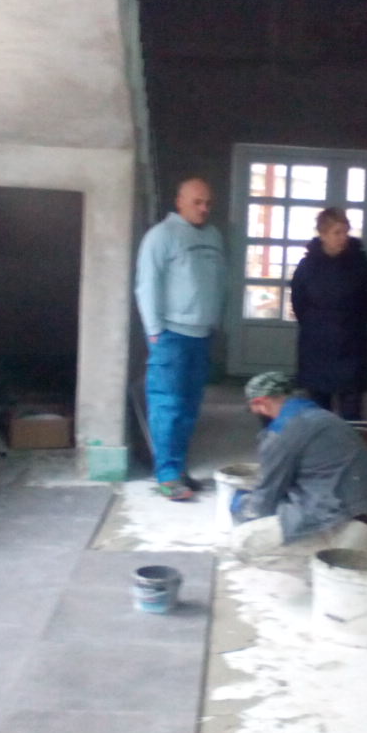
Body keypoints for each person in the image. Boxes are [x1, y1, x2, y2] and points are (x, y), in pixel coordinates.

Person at [229, 371, 367, 569]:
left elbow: (265, 500)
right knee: (287, 504)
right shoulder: (322, 416)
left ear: (262, 403)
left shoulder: (283, 432)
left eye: (254, 408)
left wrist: (241, 506)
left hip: (342, 525)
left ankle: (318, 561)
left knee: (243, 541)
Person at [135, 178, 226, 501]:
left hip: (201, 336)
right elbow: (147, 286)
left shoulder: (213, 237)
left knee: (189, 408)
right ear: (179, 202)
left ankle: (179, 469)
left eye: (208, 203)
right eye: (197, 202)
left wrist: (215, 321)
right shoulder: (161, 236)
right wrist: (155, 331)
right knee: (168, 406)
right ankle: (167, 475)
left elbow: (220, 281)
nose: (204, 208)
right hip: (171, 336)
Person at [289, 207, 367, 421]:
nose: (342, 238)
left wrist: (353, 322)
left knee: (352, 413)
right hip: (316, 346)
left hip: (352, 345)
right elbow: (298, 301)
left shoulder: (361, 265)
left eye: (345, 232)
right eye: (336, 233)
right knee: (318, 413)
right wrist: (316, 324)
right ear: (322, 234)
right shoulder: (308, 266)